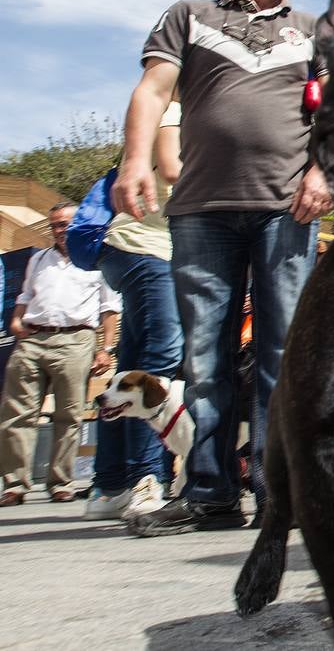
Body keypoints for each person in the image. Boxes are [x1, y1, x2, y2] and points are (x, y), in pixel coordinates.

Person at [113, 0, 330, 536]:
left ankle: (276, 493)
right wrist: (135, 161)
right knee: (205, 359)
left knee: (281, 354)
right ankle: (209, 494)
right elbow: (154, 91)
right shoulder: (189, 16)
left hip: (286, 208)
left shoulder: (314, 31)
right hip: (201, 211)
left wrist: (323, 174)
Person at [85, 102, 184, 521]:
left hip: (138, 250)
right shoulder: (175, 109)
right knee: (162, 359)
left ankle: (109, 487)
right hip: (146, 249)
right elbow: (174, 169)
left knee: (128, 371)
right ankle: (148, 479)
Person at [1, 203, 120, 505]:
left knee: (69, 415)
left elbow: (109, 307)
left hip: (76, 338)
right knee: (17, 413)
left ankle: (60, 482)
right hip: (33, 337)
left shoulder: (96, 259)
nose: (60, 230)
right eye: (55, 225)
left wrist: (105, 349)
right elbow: (26, 294)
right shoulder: (39, 259)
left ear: (78, 223)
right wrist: (16, 319)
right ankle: (15, 485)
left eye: (65, 224)